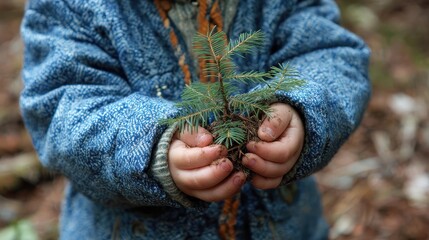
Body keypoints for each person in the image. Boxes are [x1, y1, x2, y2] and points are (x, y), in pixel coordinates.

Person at [20, 0, 370, 239]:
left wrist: (301, 110)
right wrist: (150, 145)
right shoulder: (69, 7)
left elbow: (330, 57)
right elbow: (62, 108)